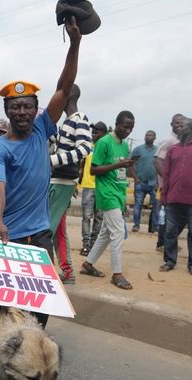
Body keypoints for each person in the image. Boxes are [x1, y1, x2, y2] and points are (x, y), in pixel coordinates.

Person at [0, 15, 82, 327]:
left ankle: (32, 351)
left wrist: (76, 43)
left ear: (36, 110)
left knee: (41, 302)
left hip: (40, 235)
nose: (22, 111)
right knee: (6, 303)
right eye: (15, 107)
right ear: (7, 112)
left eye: (27, 106)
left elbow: (64, 87)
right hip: (9, 236)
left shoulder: (43, 127)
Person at [79, 111, 136, 290]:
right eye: (125, 127)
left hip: (118, 194)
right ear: (116, 124)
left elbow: (121, 172)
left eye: (131, 128)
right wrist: (119, 165)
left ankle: (88, 264)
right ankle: (117, 274)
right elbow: (93, 171)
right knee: (118, 233)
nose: (127, 131)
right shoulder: (104, 142)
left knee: (105, 233)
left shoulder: (125, 146)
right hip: (106, 194)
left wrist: (129, 171)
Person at [47, 84, 92, 284]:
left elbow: (84, 149)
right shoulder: (67, 121)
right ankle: (67, 271)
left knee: (45, 230)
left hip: (60, 181)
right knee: (58, 230)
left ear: (66, 96)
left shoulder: (79, 119)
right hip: (61, 180)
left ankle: (44, 274)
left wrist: (53, 161)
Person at [159, 118, 192, 276]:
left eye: (181, 125)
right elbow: (167, 175)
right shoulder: (173, 149)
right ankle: (170, 261)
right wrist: (164, 196)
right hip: (173, 198)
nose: (178, 127)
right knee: (169, 231)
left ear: (190, 129)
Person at [154, 113, 185, 251]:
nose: (179, 126)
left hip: (178, 185)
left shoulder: (182, 141)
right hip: (167, 185)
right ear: (171, 124)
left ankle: (169, 241)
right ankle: (162, 243)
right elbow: (157, 160)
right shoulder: (168, 141)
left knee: (176, 215)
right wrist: (167, 180)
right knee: (167, 214)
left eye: (182, 123)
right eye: (177, 123)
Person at [79, 121, 106, 256]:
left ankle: (94, 245)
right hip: (88, 186)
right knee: (86, 217)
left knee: (99, 217)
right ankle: (85, 245)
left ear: (104, 134)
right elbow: (82, 165)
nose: (93, 134)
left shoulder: (106, 148)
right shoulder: (88, 147)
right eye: (93, 132)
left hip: (102, 187)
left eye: (96, 132)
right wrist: (77, 181)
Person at [130, 130, 158, 232]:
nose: (148, 137)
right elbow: (130, 163)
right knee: (138, 205)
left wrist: (159, 182)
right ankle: (136, 225)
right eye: (147, 135)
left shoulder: (157, 150)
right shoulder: (138, 150)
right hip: (140, 183)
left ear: (155, 138)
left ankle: (155, 226)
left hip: (154, 184)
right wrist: (135, 177)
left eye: (151, 135)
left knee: (156, 206)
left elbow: (160, 165)